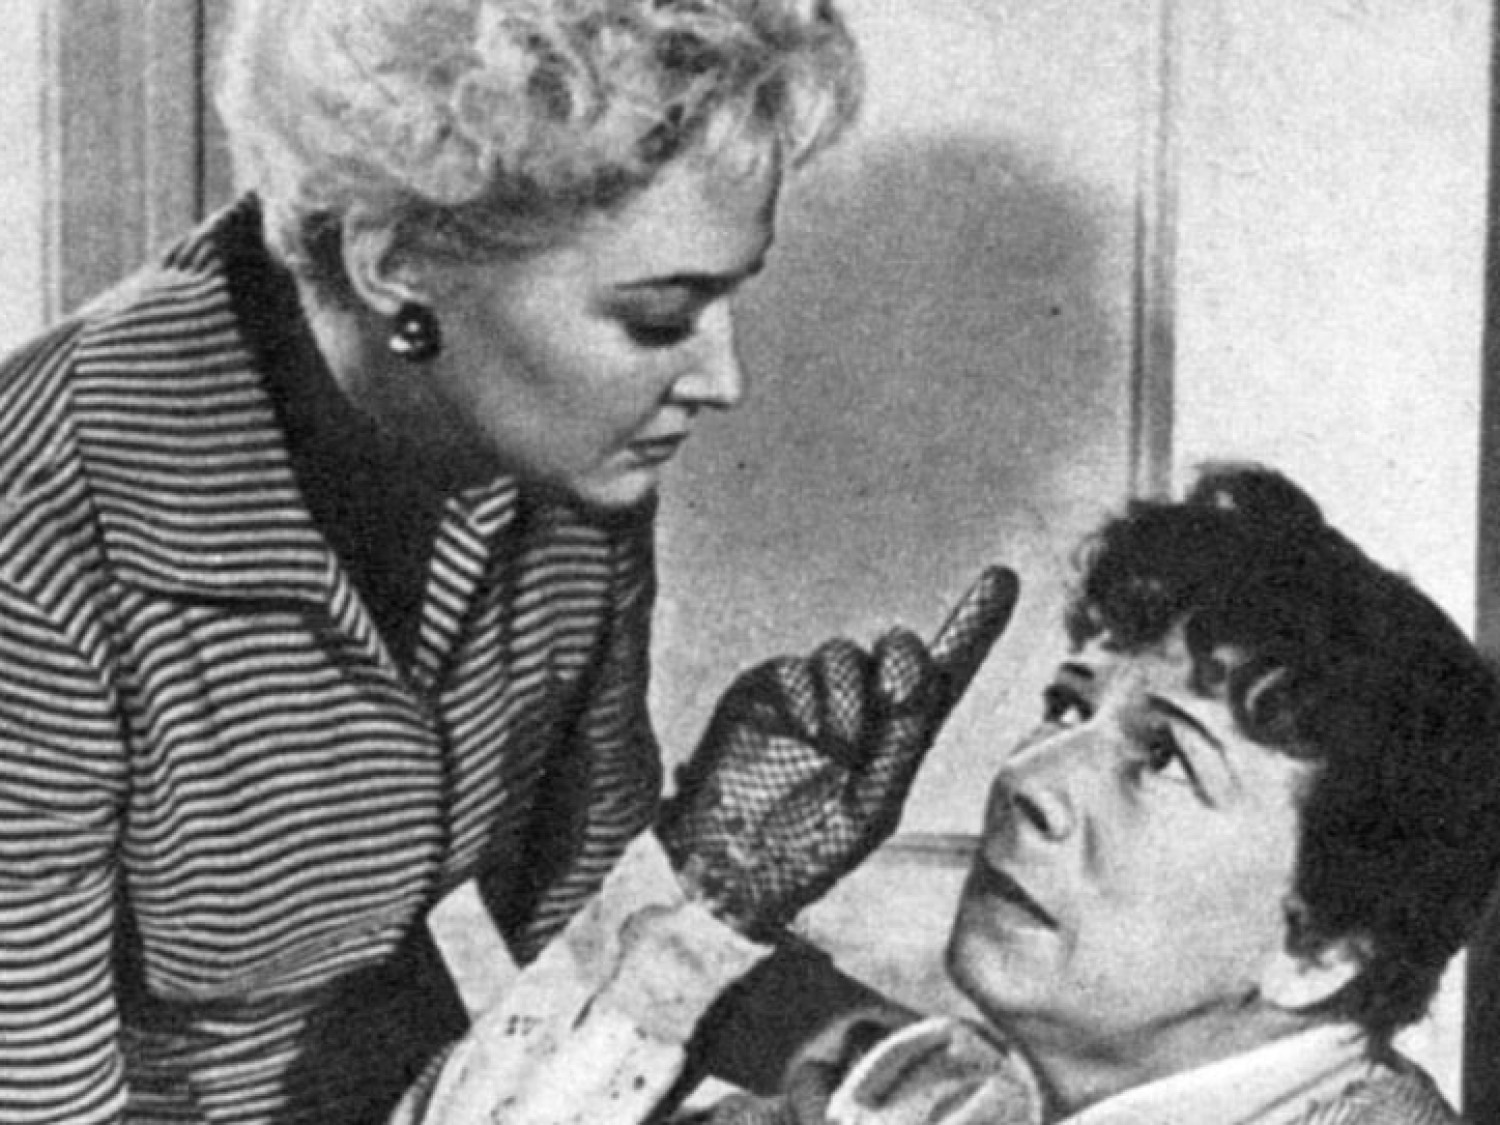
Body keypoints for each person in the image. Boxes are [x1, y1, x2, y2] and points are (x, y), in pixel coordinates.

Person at [0, 3, 1019, 1122]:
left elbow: (574, 927)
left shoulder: (552, 461)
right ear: (397, 264)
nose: (722, 378)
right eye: (659, 317)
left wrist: (786, 954)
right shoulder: (40, 533)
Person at [697, 464, 1500, 1124]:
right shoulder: (938, 1098)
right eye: (1066, 707)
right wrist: (712, 896)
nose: (1028, 777)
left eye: (1166, 755)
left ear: (1321, 951)